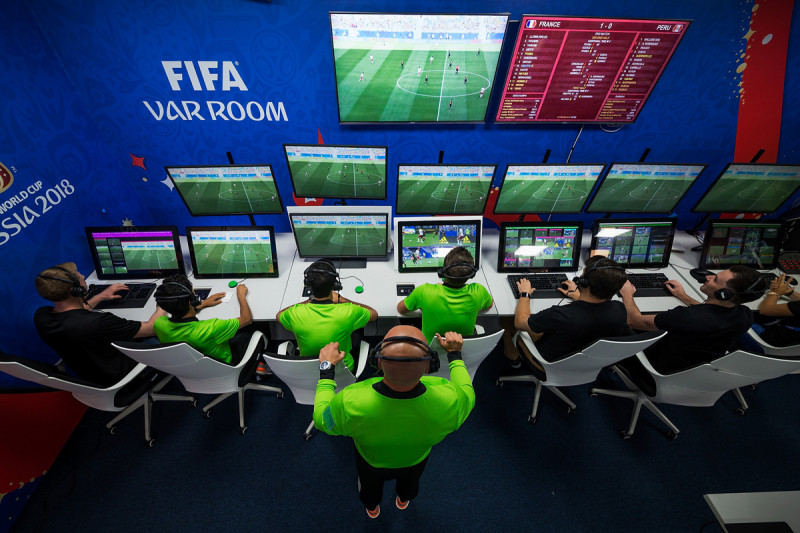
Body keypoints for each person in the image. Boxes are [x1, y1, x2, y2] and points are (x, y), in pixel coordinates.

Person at [313, 327, 473, 517]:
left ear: (378, 363)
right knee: (410, 485)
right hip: (415, 460)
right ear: (429, 366)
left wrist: (326, 369)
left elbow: (322, 420)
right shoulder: (451, 400)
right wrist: (454, 354)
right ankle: (403, 500)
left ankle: (372, 508)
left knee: (369, 490)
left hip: (370, 462)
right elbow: (467, 391)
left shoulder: (349, 400)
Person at [33, 262, 166, 386]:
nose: (83, 276)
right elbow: (151, 328)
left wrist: (101, 296)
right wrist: (165, 300)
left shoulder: (42, 317)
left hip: (91, 379)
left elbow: (74, 313)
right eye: (80, 276)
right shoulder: (98, 322)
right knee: (166, 332)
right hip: (128, 378)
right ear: (75, 290)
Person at [620, 265, 765, 374]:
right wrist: (683, 296)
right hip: (696, 369)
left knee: (617, 321)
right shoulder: (745, 315)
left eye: (715, 279)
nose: (708, 277)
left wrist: (627, 294)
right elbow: (710, 313)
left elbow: (633, 320)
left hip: (659, 368)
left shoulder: (686, 317)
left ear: (724, 294)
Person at [506, 256, 630, 367]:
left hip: (548, 363)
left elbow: (520, 322)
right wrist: (578, 296)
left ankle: (513, 358)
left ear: (583, 281)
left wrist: (524, 293)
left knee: (506, 319)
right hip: (588, 365)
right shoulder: (619, 309)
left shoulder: (559, 315)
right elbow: (593, 311)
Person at [276, 259, 377, 372]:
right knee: (356, 330)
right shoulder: (349, 311)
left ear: (308, 284)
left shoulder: (295, 313)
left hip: (308, 372)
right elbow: (373, 314)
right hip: (342, 372)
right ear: (335, 285)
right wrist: (342, 299)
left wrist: (309, 300)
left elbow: (279, 315)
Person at [398, 246, 492, 343]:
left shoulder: (424, 291)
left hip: (429, 351)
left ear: (442, 272)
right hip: (460, 349)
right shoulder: (479, 291)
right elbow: (489, 305)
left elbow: (400, 309)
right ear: (471, 274)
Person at [152, 274, 253, 364]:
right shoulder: (211, 327)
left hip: (193, 367)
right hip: (226, 363)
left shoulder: (158, 324)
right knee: (250, 330)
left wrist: (202, 304)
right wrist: (241, 296)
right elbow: (247, 319)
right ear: (190, 300)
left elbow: (180, 313)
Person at [751, 273, 800, 347]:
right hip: (791, 343)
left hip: (771, 341)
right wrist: (788, 292)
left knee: (741, 317)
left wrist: (775, 292)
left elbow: (765, 309)